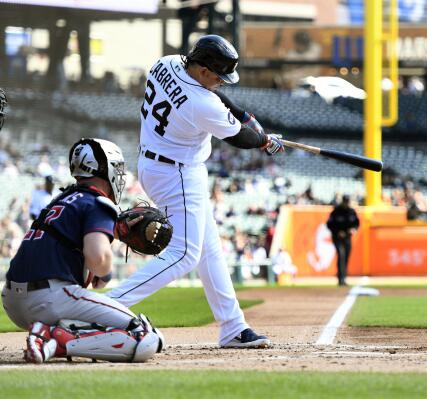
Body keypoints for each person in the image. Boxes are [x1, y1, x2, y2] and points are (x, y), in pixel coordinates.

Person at [106, 34, 283, 348]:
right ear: (203, 70)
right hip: (178, 172)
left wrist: (247, 118)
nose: (221, 83)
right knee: (185, 255)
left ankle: (232, 327)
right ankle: (105, 306)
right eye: (218, 76)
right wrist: (264, 140)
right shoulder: (202, 103)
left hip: (153, 162)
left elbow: (223, 103)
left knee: (208, 248)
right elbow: (242, 139)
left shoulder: (167, 62)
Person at [1, 138, 164, 364]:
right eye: (117, 168)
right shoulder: (98, 202)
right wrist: (104, 269)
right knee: (146, 336)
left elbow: (63, 242)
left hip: (12, 302)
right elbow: (98, 259)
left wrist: (112, 234)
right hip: (49, 298)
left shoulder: (62, 199)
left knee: (106, 324)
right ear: (105, 169)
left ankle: (46, 340)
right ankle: (54, 341)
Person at [326, 194, 359, 286]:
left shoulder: (352, 212)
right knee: (341, 255)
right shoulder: (336, 211)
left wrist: (354, 229)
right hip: (337, 238)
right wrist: (338, 232)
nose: (346, 203)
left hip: (347, 238)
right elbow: (329, 224)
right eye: (345, 201)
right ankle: (341, 278)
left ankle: (344, 276)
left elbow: (356, 224)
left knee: (346, 256)